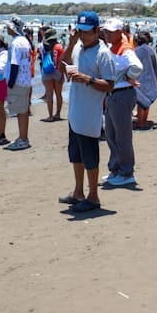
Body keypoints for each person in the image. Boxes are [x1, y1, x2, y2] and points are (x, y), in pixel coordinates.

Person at [58, 11, 116, 213]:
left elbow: (109, 85)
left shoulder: (103, 53)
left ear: (96, 31)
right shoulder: (78, 48)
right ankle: (78, 192)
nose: (82, 35)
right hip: (75, 109)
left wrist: (88, 79)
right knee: (75, 153)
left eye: (86, 32)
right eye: (79, 31)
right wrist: (71, 43)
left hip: (90, 113)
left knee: (90, 154)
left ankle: (93, 196)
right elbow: (61, 66)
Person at [102, 18, 143, 187]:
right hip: (113, 94)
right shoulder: (114, 47)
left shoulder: (125, 49)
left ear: (119, 32)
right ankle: (116, 168)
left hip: (122, 94)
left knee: (122, 136)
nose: (107, 34)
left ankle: (127, 172)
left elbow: (137, 67)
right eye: (106, 31)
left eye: (111, 32)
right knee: (111, 134)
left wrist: (128, 76)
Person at [3, 23, 33, 151]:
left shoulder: (15, 43)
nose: (7, 29)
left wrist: (10, 83)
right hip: (26, 80)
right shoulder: (24, 41)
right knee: (24, 110)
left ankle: (23, 139)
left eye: (8, 27)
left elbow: (14, 64)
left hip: (18, 81)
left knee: (20, 111)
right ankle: (23, 137)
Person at [133, 31, 157, 130]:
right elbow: (154, 66)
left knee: (141, 101)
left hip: (141, 78)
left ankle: (140, 122)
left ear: (136, 41)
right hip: (151, 78)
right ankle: (144, 120)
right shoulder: (149, 49)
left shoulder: (137, 51)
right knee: (147, 100)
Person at [40, 27, 65, 122]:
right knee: (59, 94)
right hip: (58, 71)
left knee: (49, 94)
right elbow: (63, 60)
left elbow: (41, 58)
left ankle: (50, 115)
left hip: (47, 71)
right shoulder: (59, 46)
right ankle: (57, 114)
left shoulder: (42, 46)